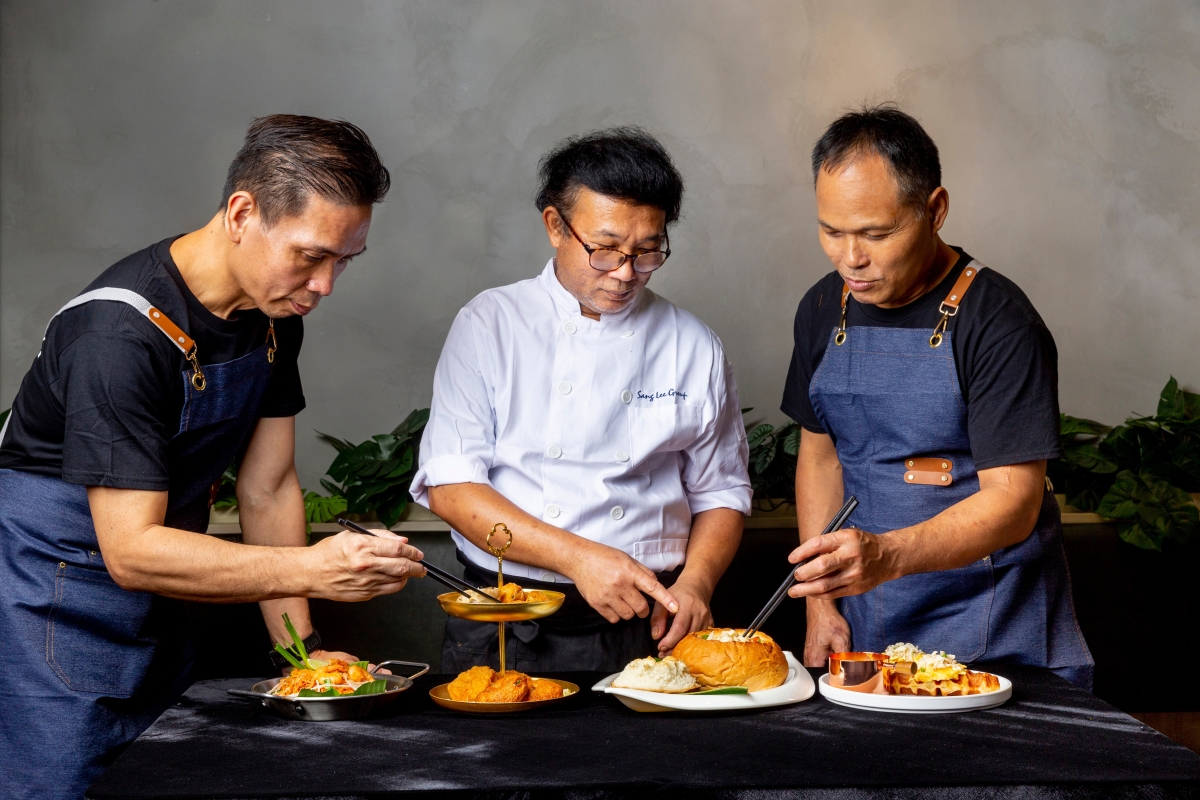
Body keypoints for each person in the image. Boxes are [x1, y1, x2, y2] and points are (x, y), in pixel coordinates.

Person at [0, 115, 426, 800]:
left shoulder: (274, 316)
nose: (325, 284)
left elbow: (268, 488)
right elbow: (131, 551)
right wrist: (315, 568)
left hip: (162, 606)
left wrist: (301, 656)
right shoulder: (116, 335)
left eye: (345, 260)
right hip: (52, 612)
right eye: (310, 255)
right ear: (241, 214)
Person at [411, 127, 751, 673]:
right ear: (555, 226)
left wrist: (697, 583)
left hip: (645, 624)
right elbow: (452, 488)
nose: (625, 273)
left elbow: (722, 492)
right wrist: (578, 559)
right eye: (605, 249)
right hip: (507, 617)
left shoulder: (693, 345)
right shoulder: (489, 324)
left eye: (647, 251)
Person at [780, 105, 1093, 687]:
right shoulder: (822, 308)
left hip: (994, 624)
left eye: (876, 234)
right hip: (866, 624)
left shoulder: (1000, 321)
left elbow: (1013, 502)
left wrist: (888, 556)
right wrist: (820, 604)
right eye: (832, 232)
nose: (851, 258)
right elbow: (821, 459)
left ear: (935, 209)